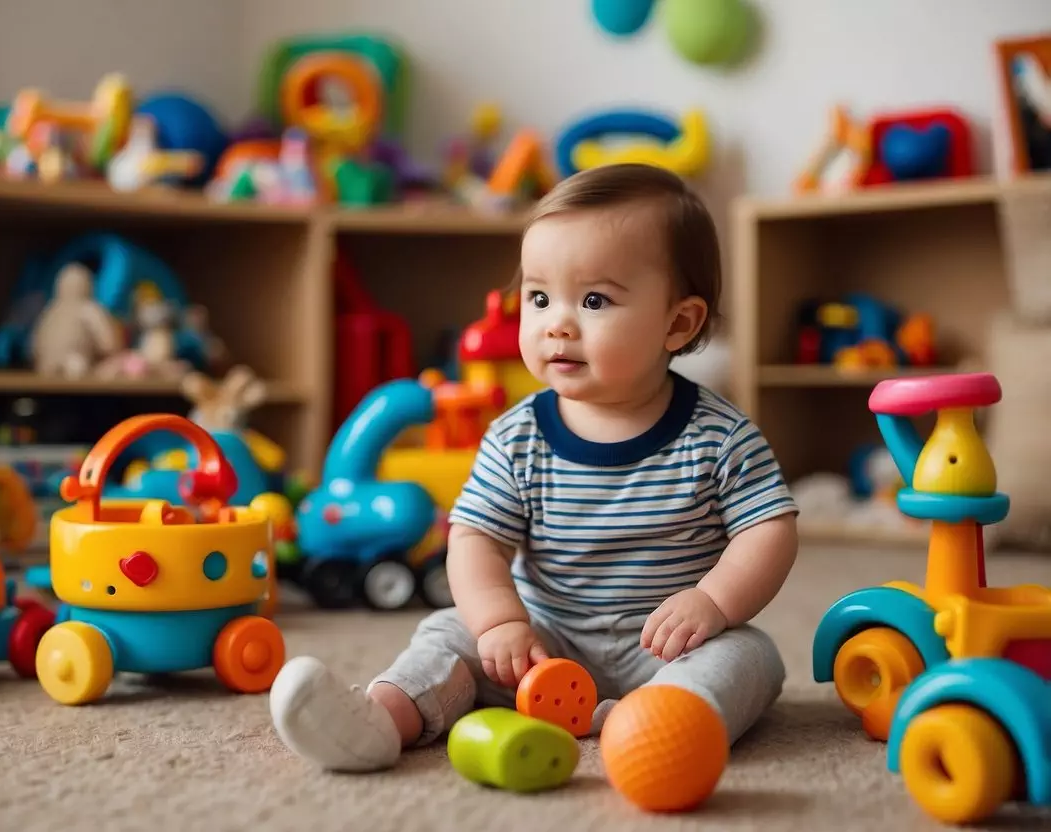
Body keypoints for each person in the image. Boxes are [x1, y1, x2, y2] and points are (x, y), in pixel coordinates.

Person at [268, 163, 799, 772]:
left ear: (677, 323)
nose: (557, 323)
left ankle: (664, 722)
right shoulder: (516, 436)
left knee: (750, 656)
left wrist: (714, 601)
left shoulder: (720, 435)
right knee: (447, 633)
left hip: (673, 646)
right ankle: (382, 717)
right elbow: (475, 539)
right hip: (539, 646)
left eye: (594, 300)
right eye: (539, 297)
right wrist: (499, 623)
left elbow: (769, 529)